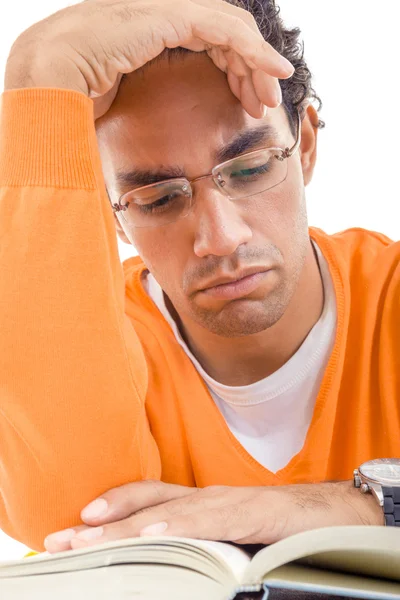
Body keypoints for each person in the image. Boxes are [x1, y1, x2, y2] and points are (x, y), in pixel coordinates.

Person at [1, 0, 399, 555]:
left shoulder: (391, 292)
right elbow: (71, 528)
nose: (220, 238)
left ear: (305, 143)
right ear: (107, 205)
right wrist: (40, 75)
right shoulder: (87, 330)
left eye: (252, 168)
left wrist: (338, 506)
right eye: (159, 198)